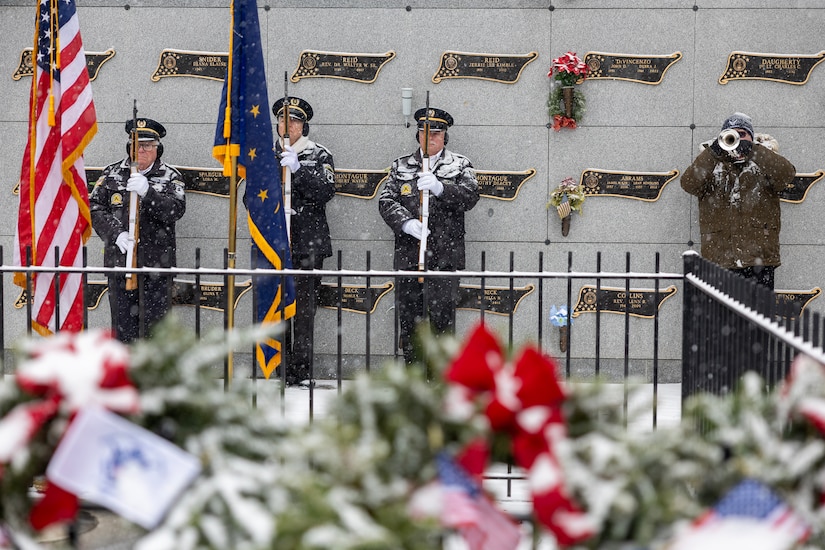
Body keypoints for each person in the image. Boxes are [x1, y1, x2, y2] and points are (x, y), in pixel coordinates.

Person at [379, 107, 479, 366]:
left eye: (436, 133)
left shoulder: (460, 164)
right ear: (417, 135)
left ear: (445, 136)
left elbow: (470, 197)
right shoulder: (401, 165)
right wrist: (406, 223)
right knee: (410, 323)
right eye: (425, 133)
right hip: (409, 256)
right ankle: (413, 379)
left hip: (445, 256)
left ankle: (440, 380)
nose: (430, 138)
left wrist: (440, 187)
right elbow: (386, 200)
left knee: (442, 323)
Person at [90, 117, 186, 342]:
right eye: (136, 144)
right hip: (120, 263)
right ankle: (126, 376)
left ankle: (153, 377)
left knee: (156, 332)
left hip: (157, 265)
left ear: (157, 148)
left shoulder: (171, 176)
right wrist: (116, 234)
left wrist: (148, 194)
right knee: (123, 330)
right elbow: (94, 208)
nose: (141, 150)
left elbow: (175, 210)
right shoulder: (112, 172)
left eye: (147, 145)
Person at [681, 112, 795, 289]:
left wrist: (753, 150)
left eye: (742, 134)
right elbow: (689, 183)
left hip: (759, 261)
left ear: (751, 136)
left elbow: (786, 175)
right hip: (719, 260)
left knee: (757, 317)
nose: (737, 138)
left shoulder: (763, 161)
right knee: (722, 317)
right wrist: (713, 153)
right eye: (731, 134)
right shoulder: (711, 164)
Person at [272, 96, 335, 386]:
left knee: (305, 310)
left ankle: (302, 369)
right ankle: (280, 367)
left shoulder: (318, 154)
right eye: (283, 120)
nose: (287, 125)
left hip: (308, 244)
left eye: (294, 120)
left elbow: (325, 191)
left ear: (303, 125)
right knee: (276, 308)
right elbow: (251, 197)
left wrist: (298, 169)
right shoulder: (265, 154)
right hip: (274, 243)